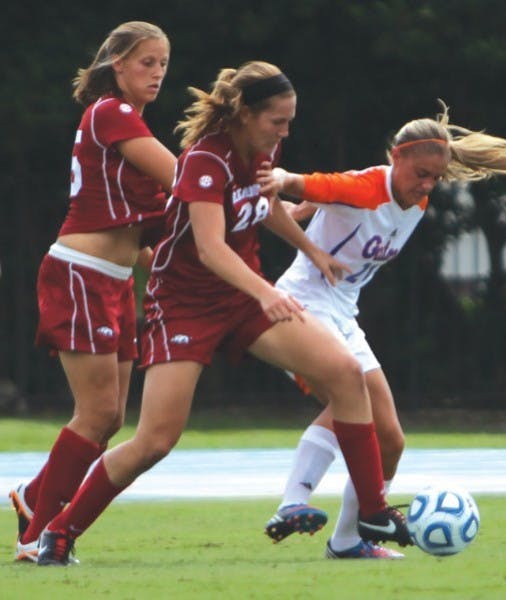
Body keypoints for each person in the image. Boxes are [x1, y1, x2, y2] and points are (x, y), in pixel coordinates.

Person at [33, 60, 414, 566]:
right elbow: (211, 248)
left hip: (239, 298)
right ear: (245, 114)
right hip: (184, 306)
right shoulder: (204, 161)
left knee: (346, 374)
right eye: (277, 121)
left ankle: (372, 512)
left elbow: (266, 202)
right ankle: (59, 532)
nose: (285, 131)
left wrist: (310, 248)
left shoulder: (263, 149)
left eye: (288, 122)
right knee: (154, 440)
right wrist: (265, 292)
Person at [260, 101, 506, 558]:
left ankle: (348, 542)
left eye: (435, 178)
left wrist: (303, 209)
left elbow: (322, 199)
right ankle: (292, 503)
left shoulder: (417, 203)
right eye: (419, 173)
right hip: (303, 307)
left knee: (391, 440)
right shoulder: (369, 185)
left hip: (343, 315)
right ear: (395, 157)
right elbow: (318, 183)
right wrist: (280, 180)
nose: (426, 185)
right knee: (347, 401)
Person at [9, 21, 177, 562]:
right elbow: (185, 178)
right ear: (118, 63)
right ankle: (36, 531)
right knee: (98, 413)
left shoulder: (131, 124)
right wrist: (253, 188)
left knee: (109, 417)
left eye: (163, 64)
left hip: (112, 280)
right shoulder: (112, 112)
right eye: (146, 62)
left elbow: (140, 228)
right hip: (80, 272)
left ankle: (36, 498)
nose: (156, 73)